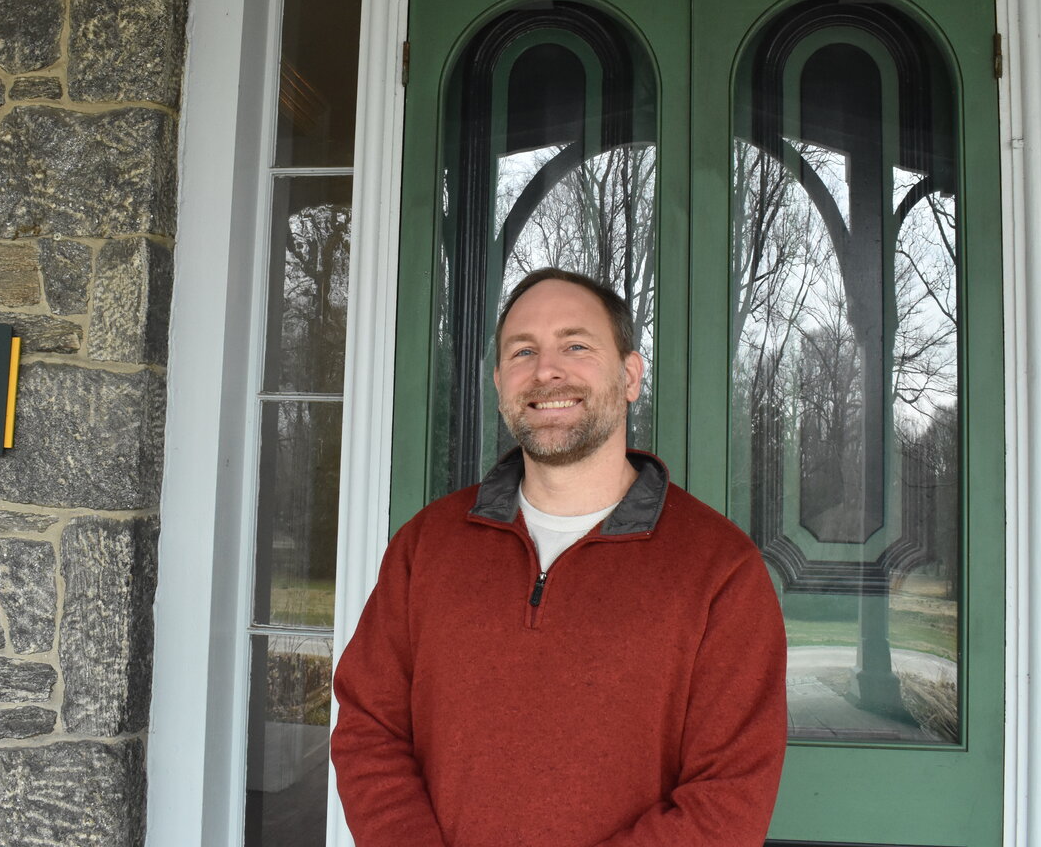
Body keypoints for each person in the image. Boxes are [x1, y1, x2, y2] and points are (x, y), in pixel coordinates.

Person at [331, 268, 787, 847]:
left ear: (629, 375)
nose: (546, 370)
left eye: (576, 345)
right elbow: (369, 729)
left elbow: (729, 798)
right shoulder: (427, 545)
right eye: (523, 351)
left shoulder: (720, 570)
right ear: (500, 383)